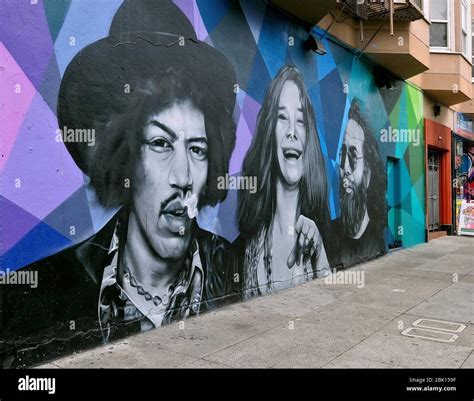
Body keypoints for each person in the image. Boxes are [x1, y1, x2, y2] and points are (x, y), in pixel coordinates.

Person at [1, 0, 237, 367]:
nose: (184, 178)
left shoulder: (237, 268)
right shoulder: (46, 290)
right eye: (160, 143)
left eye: (197, 148)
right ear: (126, 157)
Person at [235, 65, 331, 299]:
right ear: (269, 131)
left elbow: (334, 311)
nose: (291, 132)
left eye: (300, 120)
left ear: (308, 136)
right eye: (282, 118)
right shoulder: (241, 250)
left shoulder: (327, 234)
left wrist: (319, 254)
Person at [336, 97, 386, 266]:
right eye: (342, 155)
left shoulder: (376, 241)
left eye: (353, 156)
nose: (345, 168)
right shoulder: (329, 235)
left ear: (367, 174)